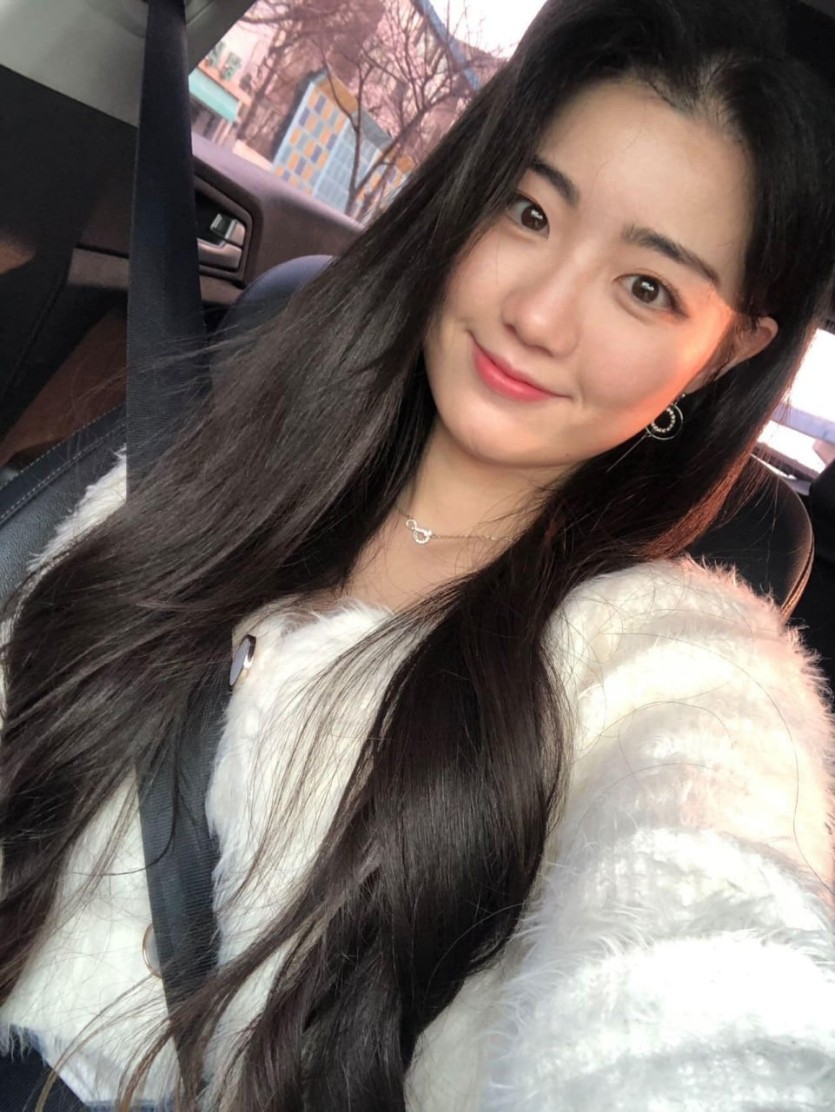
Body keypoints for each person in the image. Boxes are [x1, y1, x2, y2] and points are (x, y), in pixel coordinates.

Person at [2, 0, 835, 1107]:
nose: (538, 314)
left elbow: (709, 958)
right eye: (528, 211)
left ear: (725, 351)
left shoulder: (665, 667)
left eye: (646, 287)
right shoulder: (240, 433)